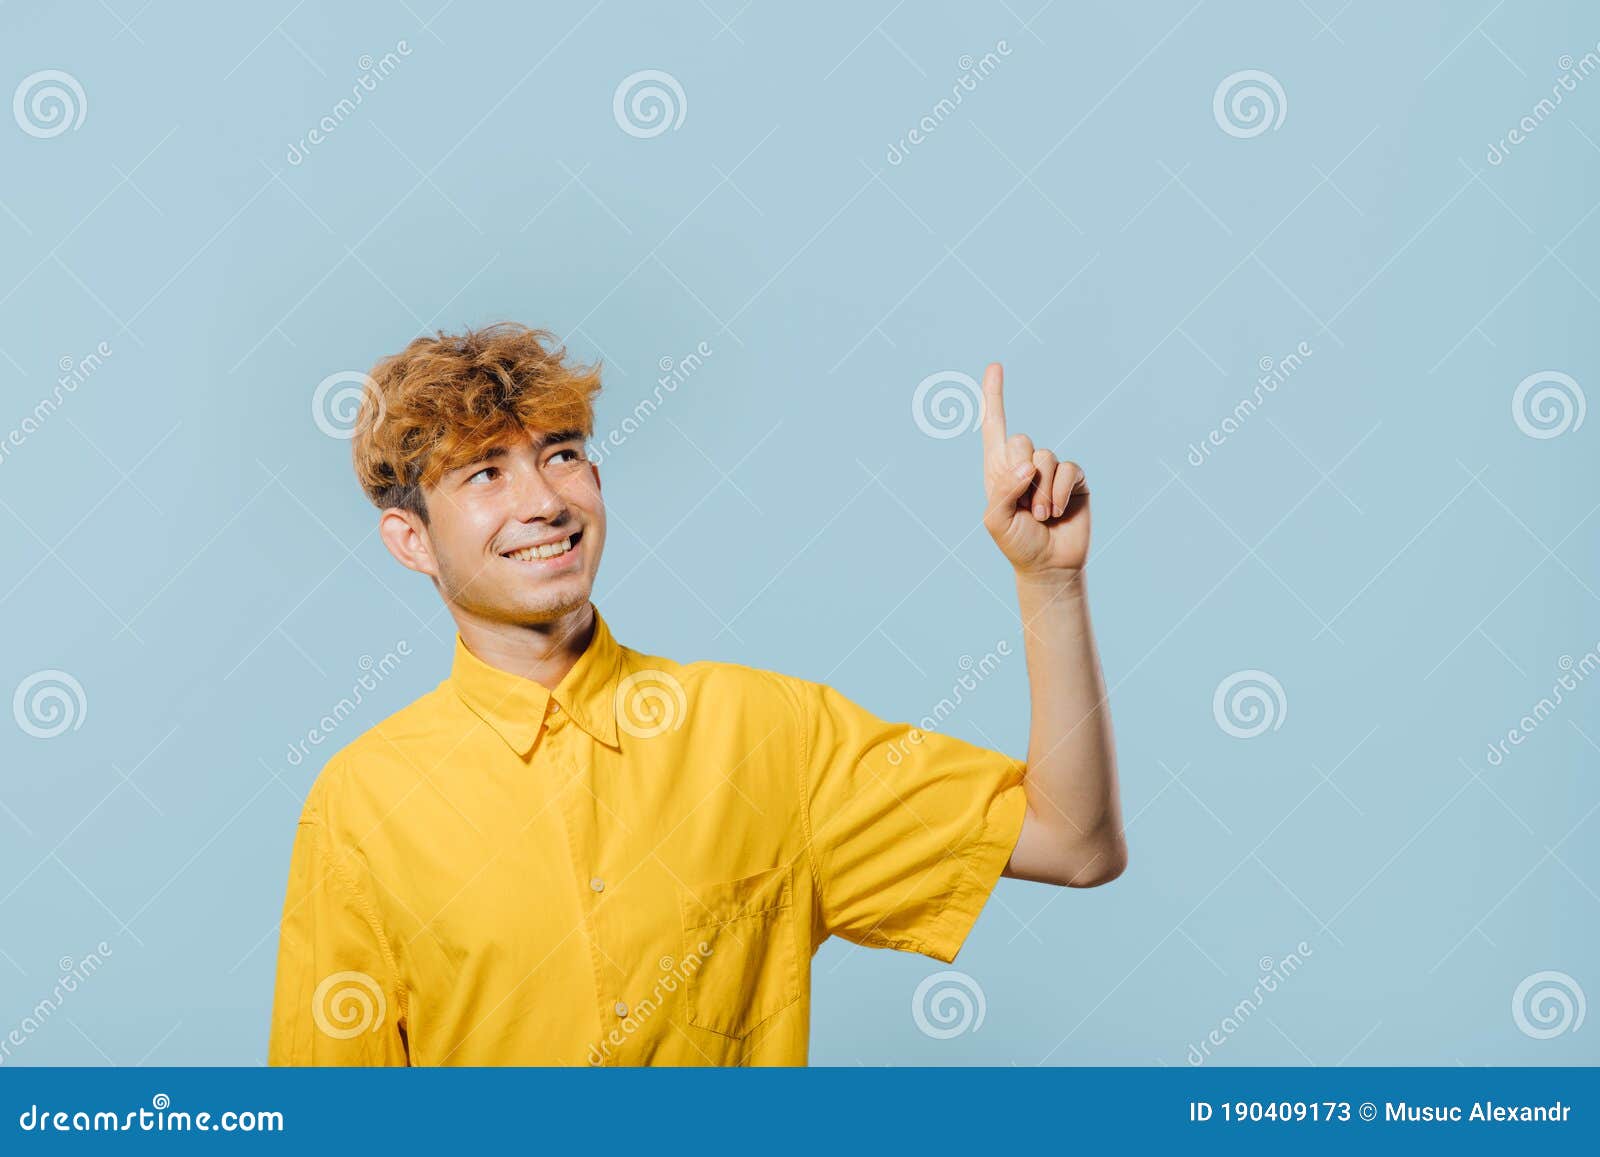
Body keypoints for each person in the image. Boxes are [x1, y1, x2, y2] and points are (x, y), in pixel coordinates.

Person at [267, 323, 1125, 1065]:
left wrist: (1048, 582)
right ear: (410, 540)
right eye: (484, 475)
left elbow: (1074, 844)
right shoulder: (360, 804)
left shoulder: (767, 731)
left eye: (561, 455)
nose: (542, 501)